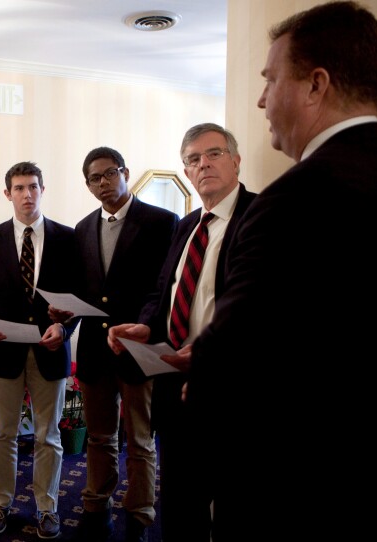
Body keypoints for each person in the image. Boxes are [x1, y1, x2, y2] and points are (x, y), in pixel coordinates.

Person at [185, 2, 377, 540]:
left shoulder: (290, 201)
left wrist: (200, 373)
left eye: (271, 79)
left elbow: (235, 357)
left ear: (316, 85)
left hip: (292, 486)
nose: (262, 99)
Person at [107, 124, 256, 541]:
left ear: (236, 160)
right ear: (186, 171)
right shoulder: (187, 225)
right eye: (193, 159)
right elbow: (165, 290)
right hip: (173, 382)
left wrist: (214, 354)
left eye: (214, 153)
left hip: (232, 388)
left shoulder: (261, 217)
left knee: (234, 504)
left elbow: (265, 308)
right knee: (180, 499)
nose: (203, 164)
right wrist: (145, 325)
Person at [59, 147, 177, 542]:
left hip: (138, 349)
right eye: (95, 178)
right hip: (95, 350)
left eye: (110, 174)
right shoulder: (83, 227)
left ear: (125, 172)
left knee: (141, 440)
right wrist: (64, 317)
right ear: (88, 185)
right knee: (98, 436)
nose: (104, 183)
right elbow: (82, 289)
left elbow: (164, 289)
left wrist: (141, 326)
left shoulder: (162, 222)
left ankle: (140, 516)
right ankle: (96, 505)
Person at [0, 161, 80, 540]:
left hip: (51, 352)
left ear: (42, 189)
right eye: (19, 188)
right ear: (8, 194)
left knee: (48, 435)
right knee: (3, 433)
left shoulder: (68, 238)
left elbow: (75, 299)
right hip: (3, 351)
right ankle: (0, 502)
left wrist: (63, 327)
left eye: (33, 186)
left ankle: (47, 507)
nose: (27, 194)